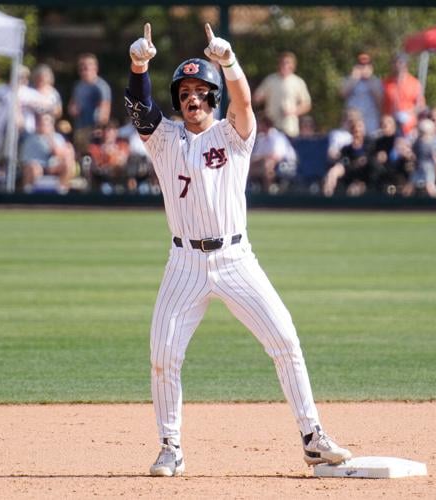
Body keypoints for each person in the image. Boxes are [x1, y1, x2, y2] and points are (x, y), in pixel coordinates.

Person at [125, 22, 352, 477]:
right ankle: (170, 447)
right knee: (163, 354)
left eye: (200, 90)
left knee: (285, 339)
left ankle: (312, 437)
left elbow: (245, 102)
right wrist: (138, 67)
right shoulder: (164, 138)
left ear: (213, 97)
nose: (192, 97)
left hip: (235, 260)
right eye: (184, 91)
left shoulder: (233, 135)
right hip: (184, 263)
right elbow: (140, 109)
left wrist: (229, 65)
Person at [253, 51, 311, 138]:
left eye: (287, 63)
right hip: (270, 128)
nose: (285, 65)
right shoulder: (270, 80)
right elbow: (257, 98)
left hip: (290, 128)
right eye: (282, 62)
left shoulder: (298, 82)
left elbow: (306, 104)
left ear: (293, 65)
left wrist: (293, 111)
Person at [19, 112, 76, 193]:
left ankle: (62, 191)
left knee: (68, 164)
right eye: (41, 123)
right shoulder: (30, 139)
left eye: (47, 123)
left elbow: (61, 154)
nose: (44, 125)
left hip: (54, 165)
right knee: (33, 169)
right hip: (38, 167)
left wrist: (50, 138)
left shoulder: (58, 137)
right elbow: (26, 162)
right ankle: (28, 194)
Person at [68, 53, 112, 158]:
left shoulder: (101, 87)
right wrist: (73, 109)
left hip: (94, 130)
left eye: (86, 68)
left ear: (95, 68)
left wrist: (100, 127)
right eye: (81, 68)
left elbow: (105, 108)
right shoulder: (78, 86)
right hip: (80, 128)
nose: (83, 70)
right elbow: (72, 105)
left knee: (93, 157)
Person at [249, 113, 298, 194]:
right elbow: (256, 156)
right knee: (250, 165)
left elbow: (277, 156)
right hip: (267, 163)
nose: (258, 126)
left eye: (260, 123)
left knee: (267, 164)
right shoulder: (261, 137)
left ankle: (269, 192)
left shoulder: (277, 136)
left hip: (287, 163)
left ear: (265, 124)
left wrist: (261, 158)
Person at [381, 53, 425, 136]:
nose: (397, 65)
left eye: (400, 62)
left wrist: (408, 113)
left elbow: (421, 106)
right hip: (390, 128)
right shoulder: (385, 83)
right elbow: (380, 104)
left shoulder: (415, 83)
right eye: (395, 63)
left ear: (406, 64)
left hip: (409, 127)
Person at [340, 52, 382, 137]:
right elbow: (342, 94)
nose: (363, 68)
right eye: (361, 66)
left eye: (366, 66)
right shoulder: (349, 79)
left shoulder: (376, 81)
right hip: (352, 120)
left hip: (370, 120)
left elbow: (380, 101)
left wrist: (369, 80)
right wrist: (354, 78)